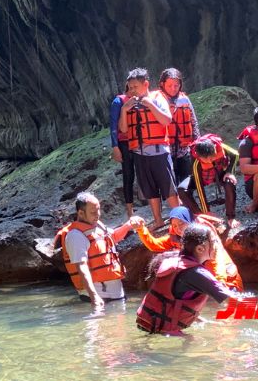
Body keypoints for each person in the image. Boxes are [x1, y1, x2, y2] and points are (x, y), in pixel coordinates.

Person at [136, 224, 258, 335]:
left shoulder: (173, 260)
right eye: (214, 242)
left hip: (150, 326)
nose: (217, 246)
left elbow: (171, 296)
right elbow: (235, 300)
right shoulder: (197, 274)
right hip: (164, 333)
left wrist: (198, 318)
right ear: (201, 248)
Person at [53, 192, 143, 312]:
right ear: (80, 213)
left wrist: (128, 225)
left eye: (98, 210)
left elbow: (114, 237)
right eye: (93, 212)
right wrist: (94, 297)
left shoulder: (98, 226)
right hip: (98, 298)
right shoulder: (75, 235)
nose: (98, 215)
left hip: (115, 295)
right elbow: (82, 268)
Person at [118, 68, 178, 230]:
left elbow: (166, 120)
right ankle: (158, 220)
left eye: (135, 87)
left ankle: (180, 218)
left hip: (159, 152)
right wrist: (124, 110)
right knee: (150, 189)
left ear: (146, 84)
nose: (131, 91)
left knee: (169, 188)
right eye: (130, 88)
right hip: (140, 154)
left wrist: (151, 105)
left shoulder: (157, 98)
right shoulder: (128, 105)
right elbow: (123, 129)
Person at [135, 206, 243, 290]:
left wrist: (219, 284)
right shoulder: (177, 238)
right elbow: (154, 245)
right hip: (209, 283)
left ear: (190, 221)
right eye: (175, 226)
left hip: (228, 282)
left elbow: (216, 261)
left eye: (181, 223)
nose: (178, 228)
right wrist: (141, 229)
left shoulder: (205, 237)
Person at [160, 68, 201, 211]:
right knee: (171, 180)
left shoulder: (185, 99)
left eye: (176, 85)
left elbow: (193, 122)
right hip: (166, 149)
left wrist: (197, 142)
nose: (173, 88)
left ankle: (189, 204)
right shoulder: (159, 100)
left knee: (186, 178)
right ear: (162, 84)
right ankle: (177, 209)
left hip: (184, 148)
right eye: (169, 85)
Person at [189, 133, 240, 228]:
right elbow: (199, 187)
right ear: (200, 157)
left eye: (212, 158)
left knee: (229, 183)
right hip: (204, 177)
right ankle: (201, 216)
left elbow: (236, 155)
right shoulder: (196, 161)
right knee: (182, 190)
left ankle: (231, 217)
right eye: (206, 160)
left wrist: (229, 172)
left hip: (220, 173)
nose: (210, 161)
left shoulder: (220, 146)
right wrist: (206, 212)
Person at [110, 77, 140, 217]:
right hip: (125, 143)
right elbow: (113, 125)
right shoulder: (119, 101)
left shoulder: (142, 99)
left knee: (144, 174)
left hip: (141, 141)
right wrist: (115, 147)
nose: (134, 89)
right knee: (128, 175)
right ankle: (130, 212)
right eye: (131, 87)